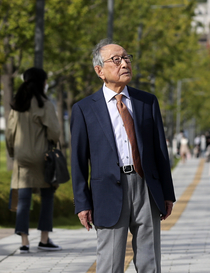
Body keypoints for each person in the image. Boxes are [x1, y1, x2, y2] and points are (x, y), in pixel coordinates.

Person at [71, 39, 176, 272]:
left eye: (126, 58)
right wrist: (82, 203)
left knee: (150, 261)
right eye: (116, 60)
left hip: (146, 188)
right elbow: (78, 162)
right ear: (99, 71)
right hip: (107, 192)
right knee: (110, 263)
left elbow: (160, 152)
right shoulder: (84, 109)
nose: (124, 63)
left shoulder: (147, 102)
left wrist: (167, 194)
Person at [6, 68, 62, 254]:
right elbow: (54, 132)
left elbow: (9, 133)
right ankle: (44, 239)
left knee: (23, 199)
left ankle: (24, 241)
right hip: (42, 157)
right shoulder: (44, 104)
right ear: (41, 82)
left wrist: (13, 152)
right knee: (47, 195)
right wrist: (53, 144)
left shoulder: (17, 104)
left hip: (22, 157)